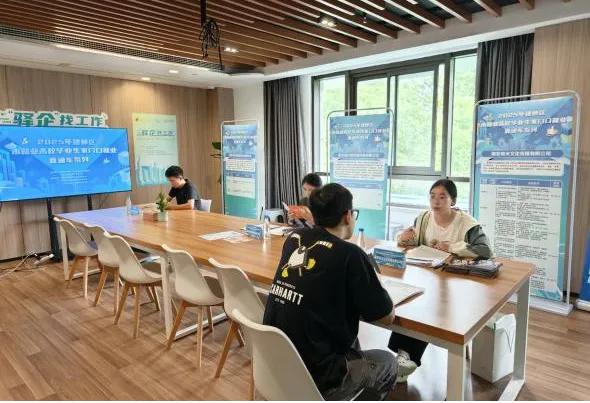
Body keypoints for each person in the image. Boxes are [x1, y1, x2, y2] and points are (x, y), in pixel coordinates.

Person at [264, 183, 400, 401]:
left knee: (349, 339)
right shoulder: (350, 254)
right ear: (348, 216)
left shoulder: (294, 239)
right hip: (318, 376)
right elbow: (386, 317)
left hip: (276, 363)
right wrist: (378, 284)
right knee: (389, 362)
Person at [391, 179, 493, 381]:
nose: (435, 201)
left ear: (453, 200)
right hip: (426, 279)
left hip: (457, 285)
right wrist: (403, 238)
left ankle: (405, 356)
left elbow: (485, 250)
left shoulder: (467, 223)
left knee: (427, 307)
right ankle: (404, 356)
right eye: (432, 196)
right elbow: (412, 242)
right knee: (412, 303)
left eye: (442, 197)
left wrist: (451, 247)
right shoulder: (423, 218)